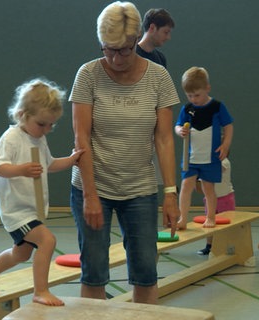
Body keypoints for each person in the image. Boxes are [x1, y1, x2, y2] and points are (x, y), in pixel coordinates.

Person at [69, 1, 180, 304]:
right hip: (93, 188)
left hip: (140, 191)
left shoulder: (158, 77)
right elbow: (82, 140)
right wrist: (90, 195)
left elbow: (164, 140)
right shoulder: (88, 74)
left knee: (146, 271)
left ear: (136, 40)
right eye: (108, 49)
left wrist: (171, 193)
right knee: (94, 272)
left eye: (124, 50)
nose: (116, 58)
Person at [0, 78, 83, 306]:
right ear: (22, 115)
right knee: (47, 241)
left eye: (51, 125)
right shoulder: (11, 138)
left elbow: (49, 164)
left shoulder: (39, 139)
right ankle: (40, 291)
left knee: (21, 254)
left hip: (33, 210)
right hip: (17, 211)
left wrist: (71, 160)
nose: (46, 130)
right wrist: (22, 169)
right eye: (41, 124)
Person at [175, 67, 234, 230]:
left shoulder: (217, 107)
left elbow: (228, 126)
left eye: (197, 95)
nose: (194, 99)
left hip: (210, 158)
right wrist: (180, 131)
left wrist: (225, 144)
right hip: (191, 158)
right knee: (186, 185)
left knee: (208, 188)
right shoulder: (187, 109)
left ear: (207, 88)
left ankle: (210, 217)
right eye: (189, 96)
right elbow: (178, 125)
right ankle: (182, 218)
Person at [196, 157, 235, 255]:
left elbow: (217, 170)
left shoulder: (225, 162)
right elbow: (200, 186)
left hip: (225, 198)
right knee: (209, 222)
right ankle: (209, 246)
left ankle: (226, 245)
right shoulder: (207, 165)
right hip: (210, 200)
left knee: (226, 224)